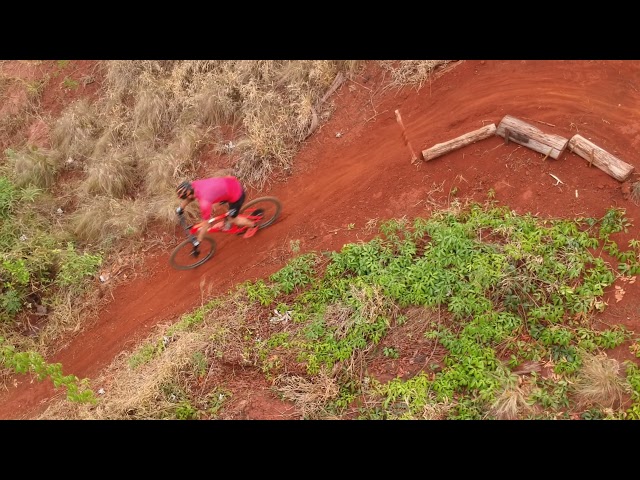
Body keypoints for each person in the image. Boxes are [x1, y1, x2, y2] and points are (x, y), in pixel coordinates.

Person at [175, 176, 258, 244]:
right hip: (229, 184)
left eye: (186, 197)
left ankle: (253, 226)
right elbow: (190, 198)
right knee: (216, 205)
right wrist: (180, 208)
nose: (187, 198)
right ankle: (228, 219)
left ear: (189, 194)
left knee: (234, 219)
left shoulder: (204, 202)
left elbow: (206, 225)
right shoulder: (194, 185)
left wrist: (198, 240)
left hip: (237, 194)